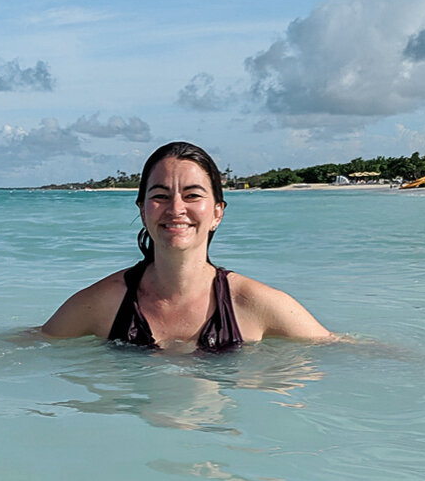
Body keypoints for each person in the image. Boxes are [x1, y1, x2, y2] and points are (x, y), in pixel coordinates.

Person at [41, 141, 329, 350]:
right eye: (160, 196)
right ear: (142, 210)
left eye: (192, 195)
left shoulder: (254, 305)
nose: (176, 208)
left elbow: (341, 353)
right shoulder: (103, 303)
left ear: (217, 212)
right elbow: (29, 349)